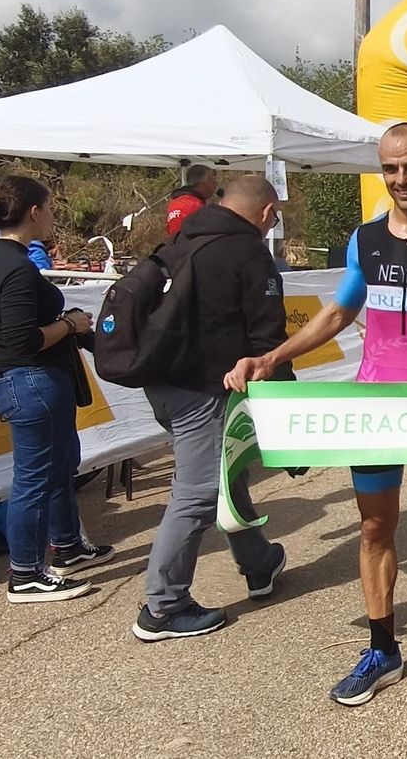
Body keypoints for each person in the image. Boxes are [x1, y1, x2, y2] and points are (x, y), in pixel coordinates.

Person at [225, 122, 407, 709]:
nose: (402, 179)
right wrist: (274, 355)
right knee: (374, 528)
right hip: (375, 406)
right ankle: (383, 648)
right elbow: (338, 313)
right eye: (390, 168)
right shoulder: (365, 238)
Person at [131, 176, 291, 642]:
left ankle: (259, 563)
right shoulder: (248, 254)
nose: (272, 224)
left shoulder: (181, 240)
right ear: (264, 214)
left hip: (160, 382)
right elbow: (268, 340)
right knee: (198, 492)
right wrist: (286, 413)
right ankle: (163, 606)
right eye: (275, 217)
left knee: (227, 472)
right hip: (204, 389)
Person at [0, 176, 114, 603]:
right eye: (49, 208)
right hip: (29, 378)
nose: (51, 217)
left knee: (60, 465)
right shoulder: (14, 265)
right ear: (34, 211)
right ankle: (26, 574)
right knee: (33, 479)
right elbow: (22, 340)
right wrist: (70, 324)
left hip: (26, 378)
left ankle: (67, 545)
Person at [165, 165, 218, 238]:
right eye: (213, 180)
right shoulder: (195, 206)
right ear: (203, 183)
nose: (216, 183)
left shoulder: (174, 202)